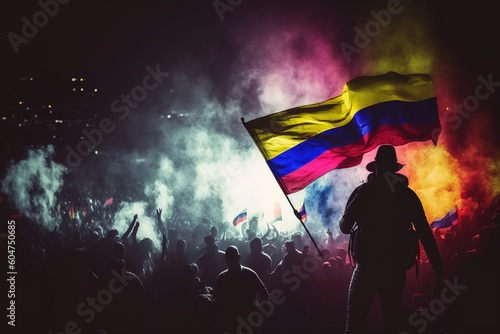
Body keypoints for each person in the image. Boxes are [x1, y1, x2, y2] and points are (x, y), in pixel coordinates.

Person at [338, 145, 444, 334]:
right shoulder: (407, 196)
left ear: (376, 167)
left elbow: (345, 227)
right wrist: (439, 271)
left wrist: (359, 199)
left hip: (369, 270)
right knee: (390, 327)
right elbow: (425, 235)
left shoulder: (364, 193)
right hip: (390, 271)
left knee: (354, 327)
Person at [213, 245, 270, 334]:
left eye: (232, 258)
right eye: (229, 258)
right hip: (234, 320)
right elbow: (216, 299)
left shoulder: (223, 277)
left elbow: (264, 294)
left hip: (245, 319)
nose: (230, 261)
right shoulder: (249, 274)